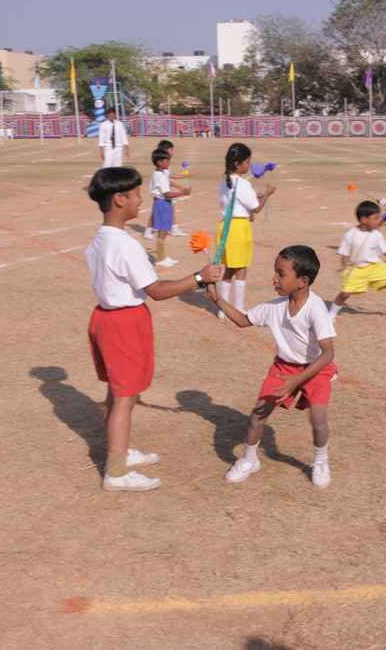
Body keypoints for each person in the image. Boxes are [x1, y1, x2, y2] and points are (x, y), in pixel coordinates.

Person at [84, 166, 222, 492]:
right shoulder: (124, 245)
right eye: (135, 194)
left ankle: (119, 451)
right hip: (123, 323)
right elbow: (157, 291)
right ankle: (116, 472)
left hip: (105, 319)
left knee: (118, 391)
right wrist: (200, 278)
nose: (140, 199)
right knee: (124, 397)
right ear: (119, 199)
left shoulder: (99, 240)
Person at [208, 245, 337, 488]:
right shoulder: (274, 307)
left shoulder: (316, 308)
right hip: (283, 367)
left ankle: (321, 461)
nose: (274, 278)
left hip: (316, 368)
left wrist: (297, 380)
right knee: (258, 415)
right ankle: (249, 459)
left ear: (302, 281)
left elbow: (328, 353)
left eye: (281, 273)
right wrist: (216, 299)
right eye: (275, 272)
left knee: (318, 418)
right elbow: (243, 320)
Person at [215, 142, 276, 318]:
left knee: (229, 269)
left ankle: (223, 308)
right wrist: (268, 194)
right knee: (241, 269)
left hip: (226, 226)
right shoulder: (242, 184)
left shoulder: (225, 181)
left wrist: (256, 195)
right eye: (247, 162)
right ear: (238, 163)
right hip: (239, 229)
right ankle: (239, 308)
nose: (249, 165)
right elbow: (256, 208)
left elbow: (235, 200)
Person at [329, 200, 386, 319]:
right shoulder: (350, 235)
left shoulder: (377, 234)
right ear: (364, 220)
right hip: (357, 269)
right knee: (344, 294)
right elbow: (344, 253)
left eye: (379, 217)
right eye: (375, 218)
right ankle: (330, 315)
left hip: (375, 266)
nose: (379, 220)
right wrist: (344, 266)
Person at [149, 149, 190, 268]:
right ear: (159, 162)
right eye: (166, 161)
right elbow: (167, 194)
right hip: (162, 203)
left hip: (164, 203)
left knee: (165, 231)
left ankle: (162, 256)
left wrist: (183, 177)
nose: (169, 162)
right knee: (162, 233)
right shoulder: (159, 176)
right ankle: (160, 259)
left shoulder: (162, 172)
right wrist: (183, 193)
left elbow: (170, 177)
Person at [143, 139, 187, 240]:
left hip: (163, 195)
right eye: (171, 150)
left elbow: (169, 177)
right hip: (161, 196)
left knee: (168, 211)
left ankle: (172, 228)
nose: (173, 153)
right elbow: (167, 183)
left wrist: (182, 177)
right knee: (157, 215)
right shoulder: (162, 168)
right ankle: (151, 231)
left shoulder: (164, 166)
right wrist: (182, 191)